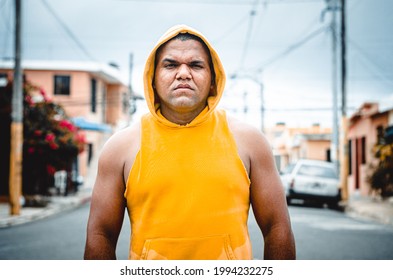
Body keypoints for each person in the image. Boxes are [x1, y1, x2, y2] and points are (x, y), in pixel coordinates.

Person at [84, 24, 296, 260]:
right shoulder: (120, 147)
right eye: (170, 65)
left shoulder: (249, 141)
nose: (183, 73)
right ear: (152, 79)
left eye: (196, 65)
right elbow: (100, 234)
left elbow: (277, 227)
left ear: (214, 81)